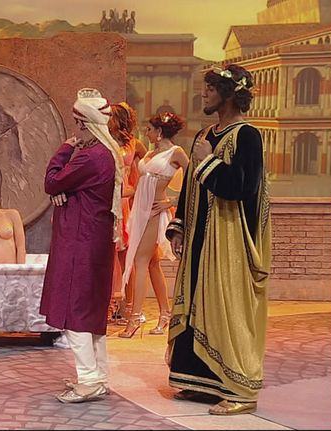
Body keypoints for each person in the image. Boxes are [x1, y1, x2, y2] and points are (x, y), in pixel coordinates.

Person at [166, 64, 270, 415]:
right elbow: (190, 185)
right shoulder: (204, 135)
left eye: (211, 88)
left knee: (226, 309)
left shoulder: (247, 136)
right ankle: (200, 380)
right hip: (200, 238)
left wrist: (208, 160)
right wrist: (179, 227)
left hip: (228, 244)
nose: (204, 94)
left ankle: (239, 390)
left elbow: (243, 188)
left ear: (228, 94)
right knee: (197, 303)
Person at [40, 88, 124, 403]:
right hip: (95, 240)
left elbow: (52, 181)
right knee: (91, 311)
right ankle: (98, 376)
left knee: (75, 310)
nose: (76, 132)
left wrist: (65, 149)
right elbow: (61, 187)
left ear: (86, 125)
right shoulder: (107, 154)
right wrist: (63, 191)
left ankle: (89, 380)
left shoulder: (90, 156)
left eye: (78, 125)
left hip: (80, 242)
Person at [119, 112, 189, 338]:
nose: (146, 133)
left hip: (155, 213)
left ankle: (135, 317)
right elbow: (139, 183)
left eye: (149, 129)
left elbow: (193, 181)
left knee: (140, 261)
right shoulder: (150, 153)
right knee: (152, 263)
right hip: (140, 211)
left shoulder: (176, 153)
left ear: (159, 131)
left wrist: (172, 202)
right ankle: (165, 313)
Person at [106, 103, 147, 324]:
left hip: (125, 202)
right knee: (108, 255)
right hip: (109, 199)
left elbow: (149, 168)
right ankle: (108, 304)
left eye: (111, 116)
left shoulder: (135, 144)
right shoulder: (104, 140)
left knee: (126, 256)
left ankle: (127, 306)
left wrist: (137, 189)